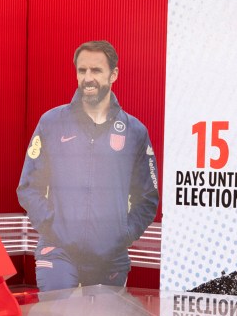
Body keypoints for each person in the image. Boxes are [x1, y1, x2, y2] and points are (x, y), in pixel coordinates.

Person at [17, 40, 159, 291]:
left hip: (110, 256)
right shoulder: (52, 123)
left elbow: (148, 197)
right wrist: (52, 225)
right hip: (59, 250)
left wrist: (122, 234)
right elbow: (28, 186)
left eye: (96, 70)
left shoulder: (134, 131)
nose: (88, 78)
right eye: (82, 71)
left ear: (113, 74)